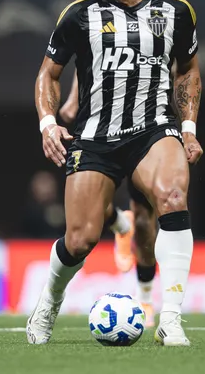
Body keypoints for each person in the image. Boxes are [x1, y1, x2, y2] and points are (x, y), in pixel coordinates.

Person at [29, 0, 203, 346]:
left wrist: (188, 128)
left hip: (153, 130)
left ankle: (171, 318)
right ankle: (49, 301)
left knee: (172, 198)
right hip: (95, 137)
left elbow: (188, 71)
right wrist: (48, 122)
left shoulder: (176, 11)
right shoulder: (79, 14)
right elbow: (48, 74)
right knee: (80, 239)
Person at [59, 74, 158, 326]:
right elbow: (89, 54)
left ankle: (145, 298)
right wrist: (73, 97)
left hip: (145, 129)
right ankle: (121, 226)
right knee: (91, 205)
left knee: (145, 221)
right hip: (100, 127)